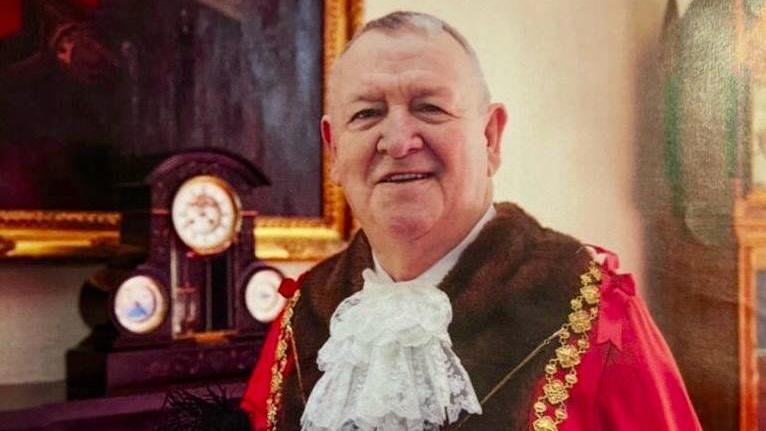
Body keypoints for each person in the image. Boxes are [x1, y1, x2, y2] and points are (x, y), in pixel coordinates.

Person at [240, 11, 702, 431]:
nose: (398, 141)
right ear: (334, 149)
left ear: (490, 137)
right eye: (366, 114)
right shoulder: (301, 315)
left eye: (430, 108)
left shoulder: (598, 312)